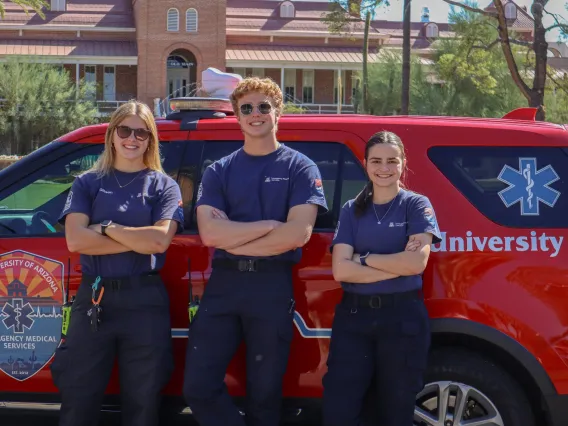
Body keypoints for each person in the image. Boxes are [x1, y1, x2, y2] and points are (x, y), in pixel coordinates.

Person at [182, 77, 328, 426]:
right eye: (246, 108)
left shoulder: (300, 167)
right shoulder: (219, 170)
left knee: (265, 396)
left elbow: (298, 234)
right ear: (237, 115)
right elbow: (210, 233)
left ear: (278, 111)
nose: (255, 114)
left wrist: (237, 235)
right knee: (198, 386)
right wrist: (269, 226)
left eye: (264, 106)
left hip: (271, 287)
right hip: (224, 286)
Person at [50, 100, 184, 426]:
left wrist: (107, 228)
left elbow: (158, 241)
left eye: (142, 132)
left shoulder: (164, 186)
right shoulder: (88, 183)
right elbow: (76, 241)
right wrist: (134, 240)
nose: (132, 138)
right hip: (94, 300)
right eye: (125, 129)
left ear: (151, 139)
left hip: (144, 301)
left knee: (143, 403)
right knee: (78, 397)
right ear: (112, 134)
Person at [322, 130, 442, 426]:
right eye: (376, 161)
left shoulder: (416, 205)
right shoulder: (352, 209)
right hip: (354, 319)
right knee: (340, 410)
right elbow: (341, 271)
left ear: (403, 163)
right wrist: (395, 264)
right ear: (365, 164)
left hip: (401, 318)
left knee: (395, 411)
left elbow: (416, 263)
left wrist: (363, 259)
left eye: (392, 160)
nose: (384, 168)